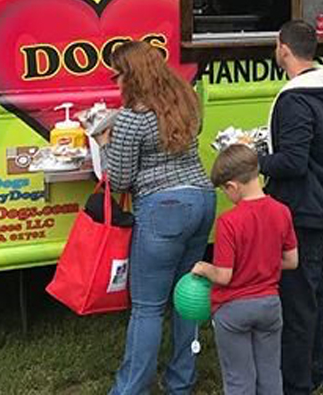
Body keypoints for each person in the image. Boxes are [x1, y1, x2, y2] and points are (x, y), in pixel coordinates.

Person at [98, 41, 217, 395]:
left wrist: (105, 143)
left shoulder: (133, 120)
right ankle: (182, 381)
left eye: (118, 75)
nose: (115, 82)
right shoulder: (186, 103)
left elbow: (118, 179)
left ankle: (130, 389)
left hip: (163, 210)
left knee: (147, 308)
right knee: (187, 296)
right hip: (202, 200)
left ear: (133, 77)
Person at [258, 20, 323, 394]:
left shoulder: (295, 100)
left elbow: (293, 162)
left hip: (302, 207)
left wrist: (254, 158)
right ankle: (317, 367)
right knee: (313, 289)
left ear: (284, 49)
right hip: (321, 201)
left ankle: (297, 382)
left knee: (297, 298)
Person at [192, 144, 299, 395]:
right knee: (270, 373)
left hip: (233, 310)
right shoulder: (282, 212)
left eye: (224, 190)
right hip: (270, 304)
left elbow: (224, 275)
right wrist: (265, 262)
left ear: (232, 186)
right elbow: (292, 260)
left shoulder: (229, 222)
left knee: (240, 379)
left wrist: (203, 267)